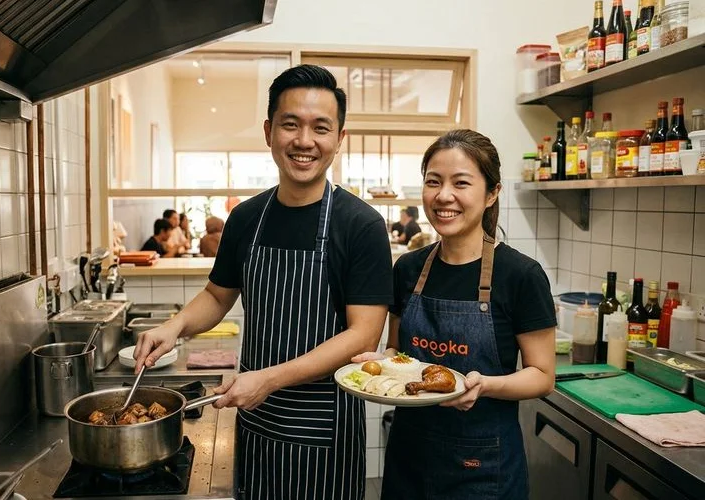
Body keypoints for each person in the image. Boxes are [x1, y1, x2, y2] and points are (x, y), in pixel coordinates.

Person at [134, 64, 393, 499]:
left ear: (339, 139)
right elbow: (218, 294)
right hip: (254, 417)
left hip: (324, 424)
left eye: (320, 128)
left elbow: (363, 333)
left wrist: (270, 379)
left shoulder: (361, 224)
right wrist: (174, 327)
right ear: (269, 130)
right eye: (291, 124)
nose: (304, 141)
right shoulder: (246, 218)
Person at [354, 129, 556, 500]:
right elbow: (397, 349)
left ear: (492, 193)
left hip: (483, 464)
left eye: (460, 183)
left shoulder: (520, 276)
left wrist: (485, 385)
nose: (443, 196)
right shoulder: (409, 269)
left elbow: (542, 376)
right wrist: (378, 364)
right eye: (434, 182)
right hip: (409, 456)